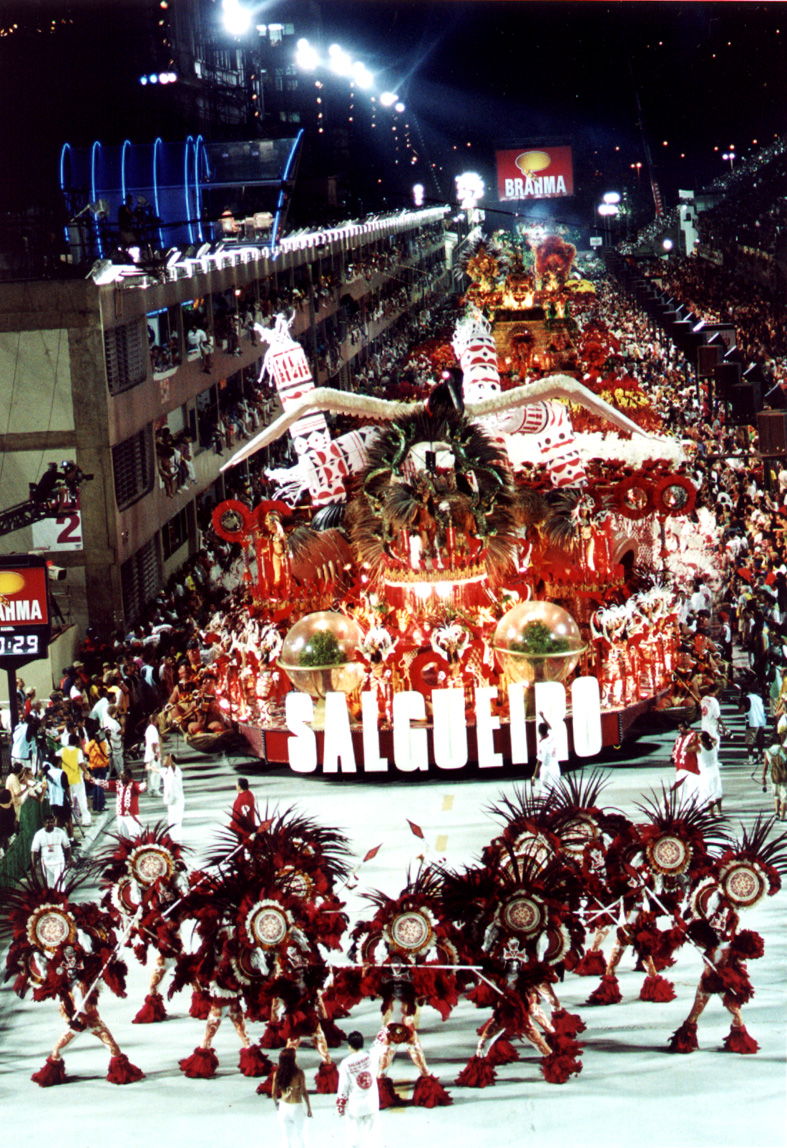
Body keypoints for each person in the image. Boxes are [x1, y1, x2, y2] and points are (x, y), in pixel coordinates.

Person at [336, 1031, 382, 1148]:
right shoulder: (371, 1055)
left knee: (354, 1138)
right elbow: (379, 1042)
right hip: (371, 1103)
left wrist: (340, 1106)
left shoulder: (345, 1064)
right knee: (372, 1138)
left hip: (355, 1106)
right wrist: (386, 1028)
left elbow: (343, 1087)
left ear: (349, 1046)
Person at [272, 1046, 313, 1147]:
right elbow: (303, 1091)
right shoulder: (299, 1073)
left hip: (283, 1106)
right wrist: (309, 1107)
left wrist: (276, 1104)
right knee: (301, 1135)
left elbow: (273, 1093)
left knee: (286, 1138)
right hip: (296, 1106)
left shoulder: (277, 1073)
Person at [94, 767, 147, 838]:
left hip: (132, 817)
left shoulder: (134, 785)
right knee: (123, 839)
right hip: (120, 816)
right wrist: (93, 780)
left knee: (134, 838)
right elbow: (106, 783)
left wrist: (144, 784)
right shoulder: (118, 784)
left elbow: (140, 787)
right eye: (121, 776)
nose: (121, 778)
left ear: (128, 777)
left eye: (123, 776)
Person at [30, 813, 72, 887]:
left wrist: (69, 858)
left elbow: (67, 847)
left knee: (59, 882)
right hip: (46, 863)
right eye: (48, 823)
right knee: (50, 885)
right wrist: (33, 865)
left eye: (52, 822)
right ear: (44, 823)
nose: (50, 824)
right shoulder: (38, 834)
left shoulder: (60, 832)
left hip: (59, 862)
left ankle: (62, 894)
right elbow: (34, 851)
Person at [671, 723, 702, 802]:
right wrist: (673, 758)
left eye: (681, 727)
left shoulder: (694, 735)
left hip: (691, 768)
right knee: (681, 792)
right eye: (678, 727)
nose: (679, 729)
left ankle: (699, 807)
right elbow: (675, 749)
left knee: (694, 791)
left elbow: (700, 747)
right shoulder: (679, 738)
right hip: (679, 768)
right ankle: (684, 808)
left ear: (686, 727)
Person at [532, 715, 561, 798]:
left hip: (547, 769)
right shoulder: (552, 736)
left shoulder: (542, 745)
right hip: (555, 766)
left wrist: (534, 777)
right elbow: (550, 727)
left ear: (539, 731)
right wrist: (543, 717)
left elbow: (539, 762)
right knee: (556, 788)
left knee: (545, 790)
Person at [159, 754, 185, 843]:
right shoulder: (165, 771)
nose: (163, 761)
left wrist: (171, 761)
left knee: (176, 822)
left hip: (177, 801)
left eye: (165, 759)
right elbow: (158, 770)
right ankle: (174, 841)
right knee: (171, 823)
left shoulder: (176, 770)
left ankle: (178, 842)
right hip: (170, 802)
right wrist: (149, 767)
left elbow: (173, 766)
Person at [697, 730, 723, 816]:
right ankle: (719, 811)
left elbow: (686, 748)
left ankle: (711, 813)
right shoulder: (713, 745)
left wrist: (693, 739)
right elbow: (715, 739)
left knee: (708, 791)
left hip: (706, 771)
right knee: (717, 790)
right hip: (715, 770)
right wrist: (709, 737)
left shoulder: (699, 747)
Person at [762, 735, 787, 821]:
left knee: (776, 795)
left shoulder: (768, 752)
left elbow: (765, 767)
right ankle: (783, 816)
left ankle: (777, 813)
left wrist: (763, 778)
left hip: (773, 776)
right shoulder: (784, 750)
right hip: (784, 775)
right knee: (784, 796)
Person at [741, 689, 767, 768]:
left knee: (750, 741)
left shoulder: (746, 699)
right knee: (760, 740)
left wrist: (740, 704)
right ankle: (760, 757)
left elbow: (742, 710)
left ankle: (750, 759)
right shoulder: (759, 698)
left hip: (752, 722)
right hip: (761, 721)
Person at [143, 714, 162, 796]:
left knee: (150, 772)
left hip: (149, 753)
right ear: (155, 720)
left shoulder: (149, 729)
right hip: (153, 754)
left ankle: (150, 789)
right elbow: (153, 743)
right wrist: (155, 754)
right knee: (156, 772)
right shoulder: (153, 729)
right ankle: (155, 789)